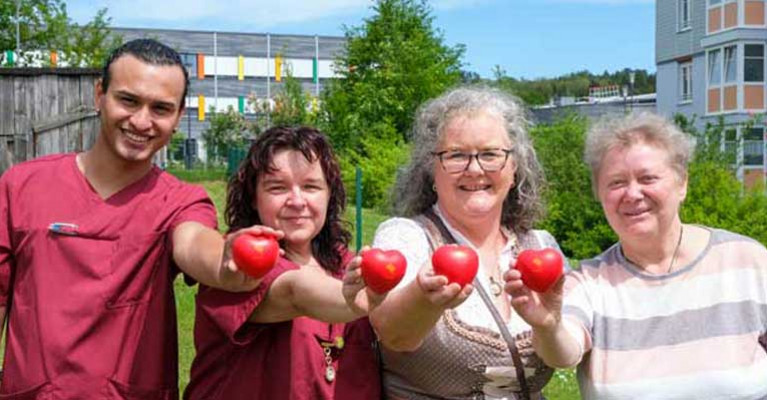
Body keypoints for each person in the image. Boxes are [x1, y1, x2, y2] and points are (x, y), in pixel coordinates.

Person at [0, 39, 267, 398]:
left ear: (178, 116)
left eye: (160, 108)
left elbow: (193, 242)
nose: (142, 121)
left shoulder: (181, 200)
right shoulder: (21, 187)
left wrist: (227, 261)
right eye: (128, 100)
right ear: (100, 96)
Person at [505, 112, 767, 399]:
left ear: (682, 184)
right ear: (599, 194)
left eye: (648, 178)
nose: (632, 193)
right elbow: (563, 354)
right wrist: (548, 326)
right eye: (616, 183)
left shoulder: (748, 261)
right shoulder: (590, 281)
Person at [369, 86, 568, 400]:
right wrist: (422, 297)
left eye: (490, 154)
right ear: (432, 170)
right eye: (456, 155)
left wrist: (549, 325)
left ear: (515, 167)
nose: (474, 169)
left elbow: (563, 356)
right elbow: (394, 333)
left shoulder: (539, 246)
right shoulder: (406, 237)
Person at [184, 126, 382, 400]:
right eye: (277, 187)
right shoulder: (239, 263)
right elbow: (295, 291)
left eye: (311, 186)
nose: (297, 201)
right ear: (254, 197)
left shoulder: (346, 263)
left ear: (329, 195)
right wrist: (349, 298)